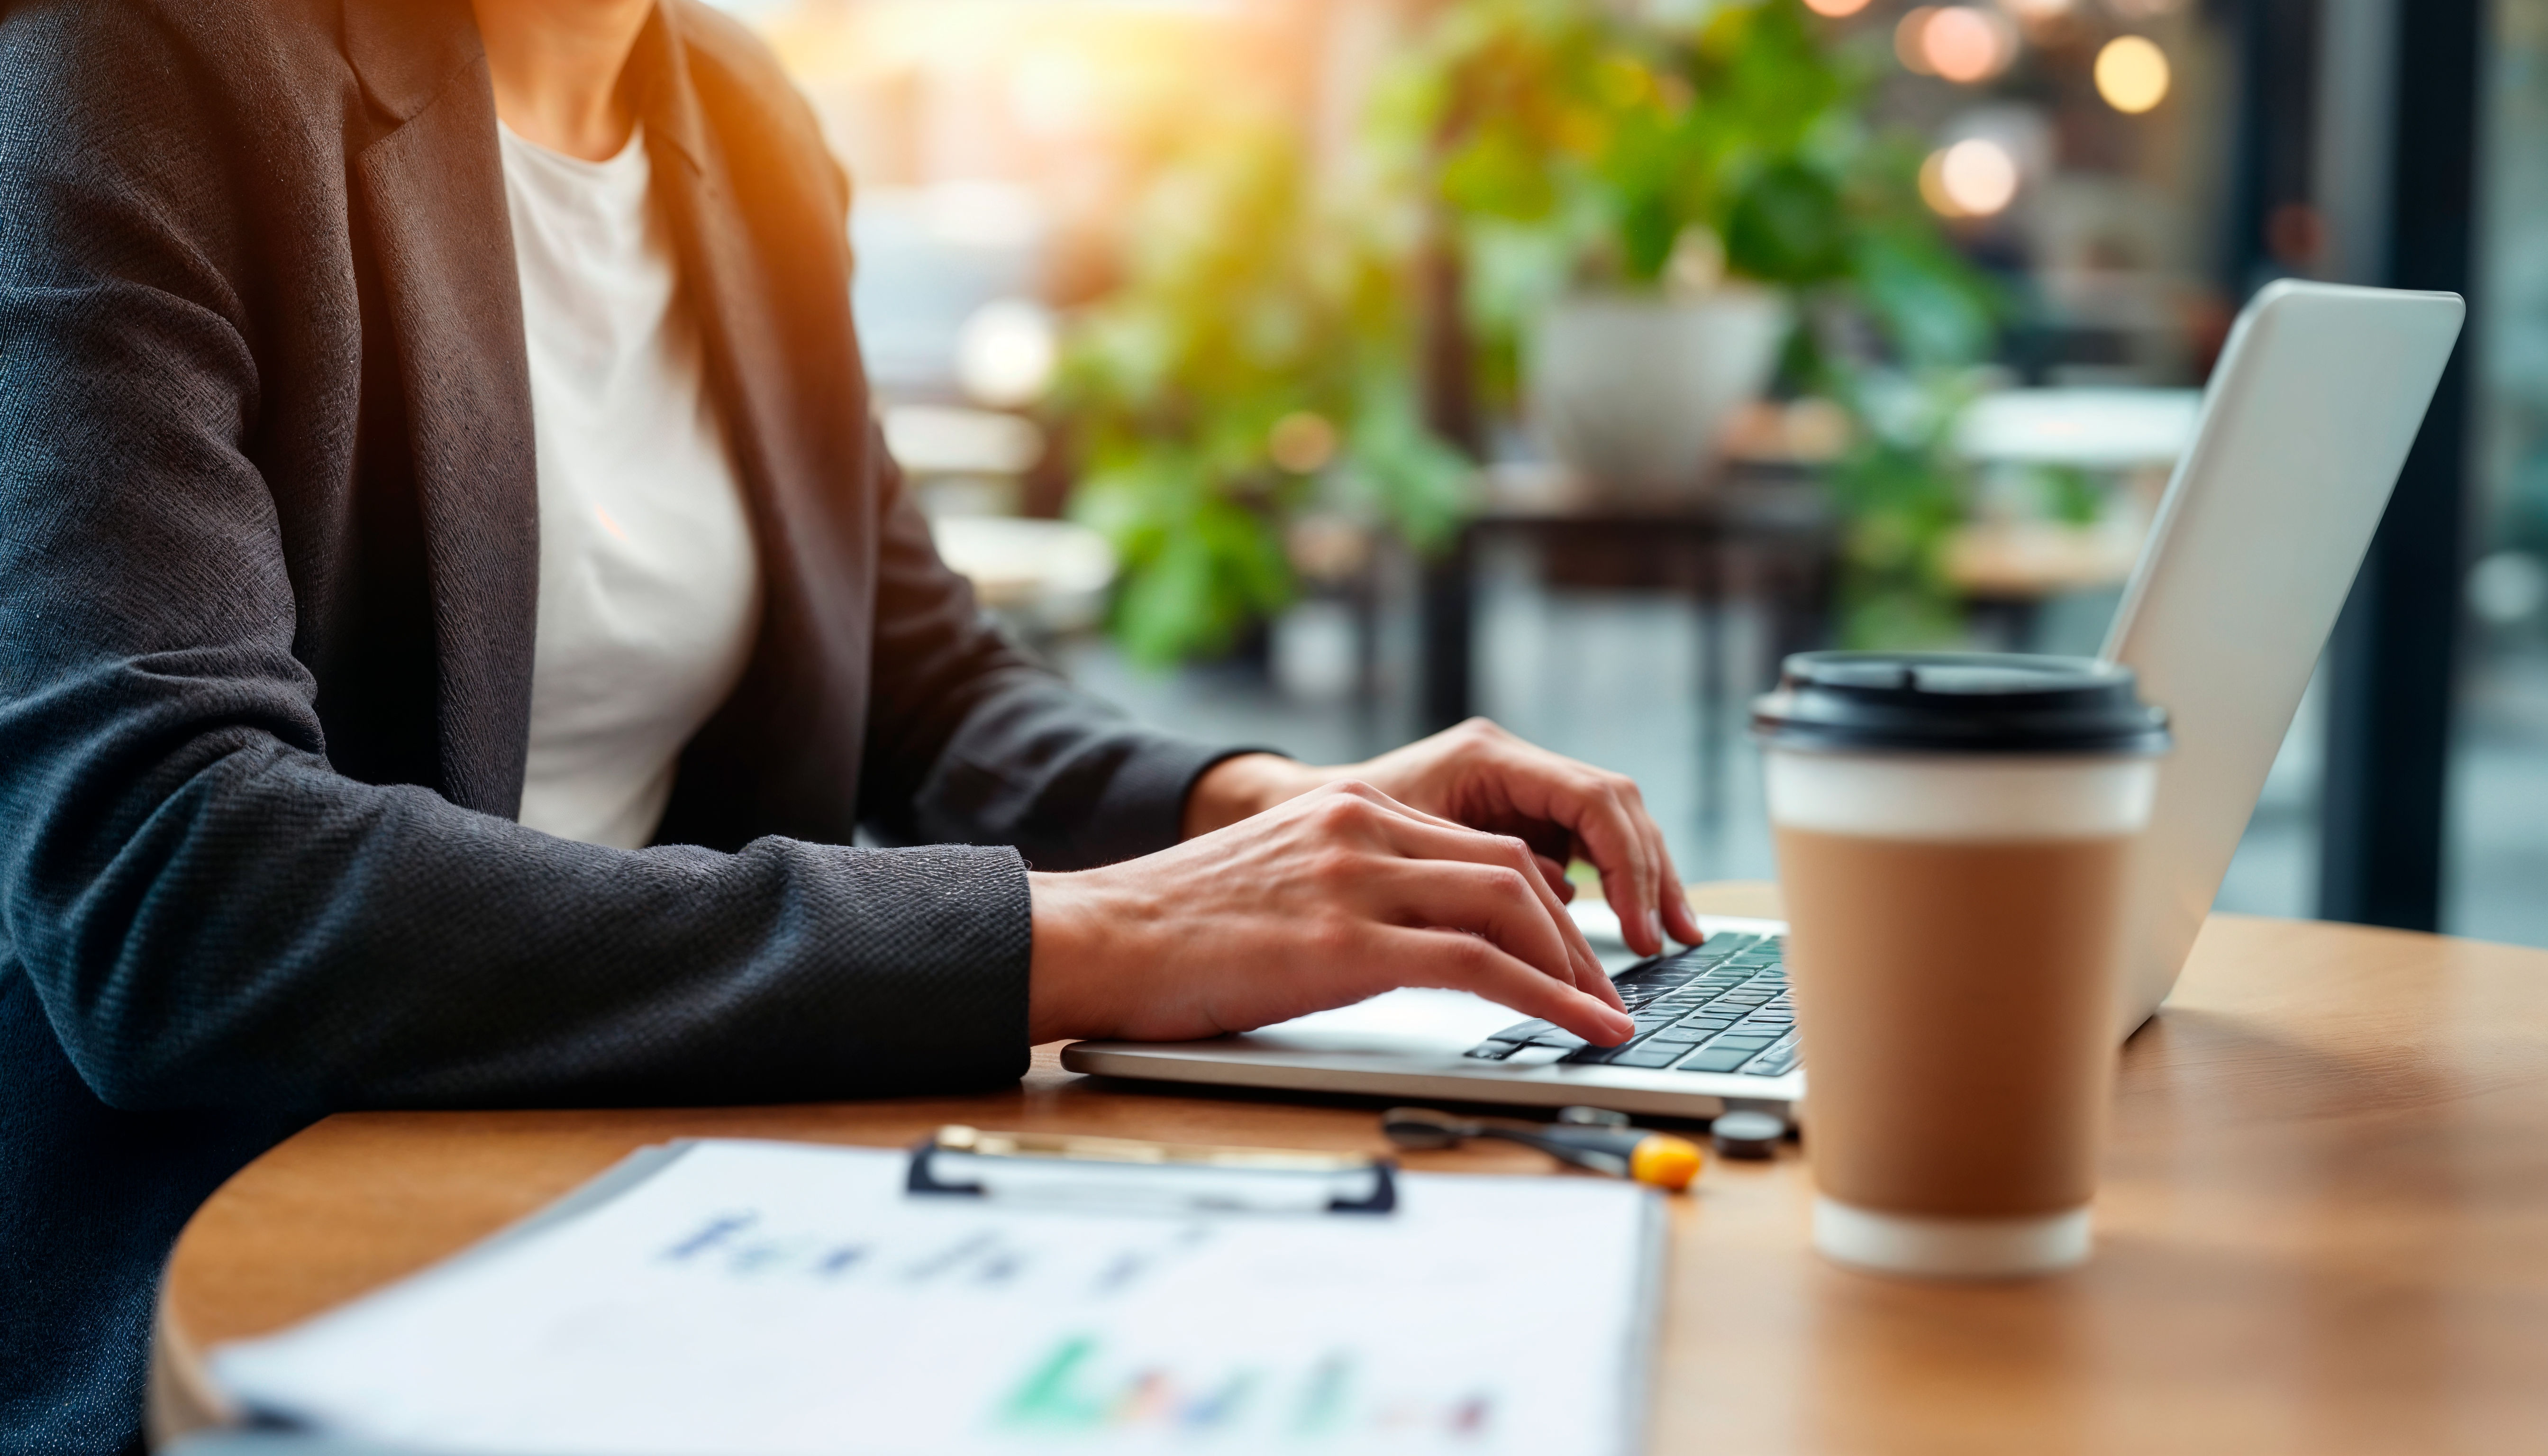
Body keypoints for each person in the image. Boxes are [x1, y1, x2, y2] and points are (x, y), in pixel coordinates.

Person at [0, 0, 1706, 1447]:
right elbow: (176, 888)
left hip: (640, 1189)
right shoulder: (122, 77)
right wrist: (1098, 936)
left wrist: (1270, 812)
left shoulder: (737, 117)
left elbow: (916, 684)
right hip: (235, 1253)